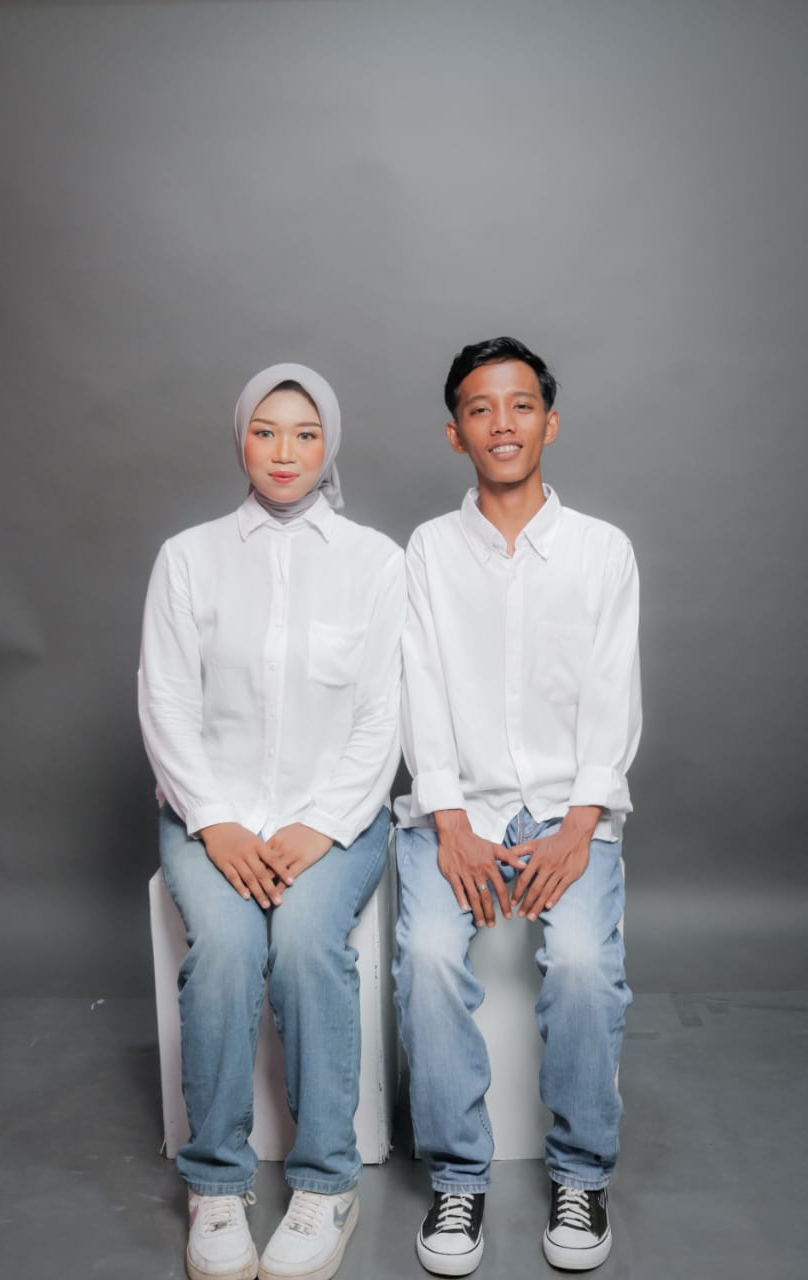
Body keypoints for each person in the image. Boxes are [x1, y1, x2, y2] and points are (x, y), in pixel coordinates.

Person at [138, 363, 405, 1280]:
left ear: (329, 444)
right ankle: (214, 1184)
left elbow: (382, 713)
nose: (283, 451)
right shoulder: (188, 556)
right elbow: (166, 702)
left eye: (304, 432)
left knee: (302, 943)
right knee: (220, 947)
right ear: (240, 440)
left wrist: (322, 824)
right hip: (208, 815)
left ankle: (327, 1181)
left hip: (335, 820)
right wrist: (215, 822)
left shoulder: (375, 561)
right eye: (265, 431)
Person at [392, 337, 641, 1275]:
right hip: (457, 808)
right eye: (480, 408)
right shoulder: (427, 550)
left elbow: (611, 694)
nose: (502, 423)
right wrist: (449, 820)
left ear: (550, 422)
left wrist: (579, 826)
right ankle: (458, 1177)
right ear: (455, 433)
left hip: (570, 809)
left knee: (580, 963)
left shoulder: (601, 550)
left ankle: (581, 1171)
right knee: (424, 956)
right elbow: (418, 686)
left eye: (520, 404)